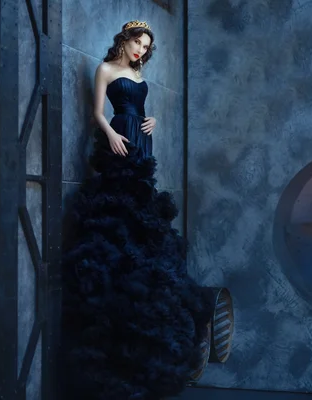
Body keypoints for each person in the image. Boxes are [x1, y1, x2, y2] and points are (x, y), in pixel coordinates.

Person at [61, 20, 213, 400]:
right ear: (125, 40)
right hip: (118, 135)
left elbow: (142, 105)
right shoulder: (106, 69)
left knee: (144, 202)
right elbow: (97, 112)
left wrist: (154, 120)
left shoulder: (136, 73)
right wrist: (111, 132)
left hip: (142, 138)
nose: (141, 51)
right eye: (137, 44)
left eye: (146, 46)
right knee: (119, 201)